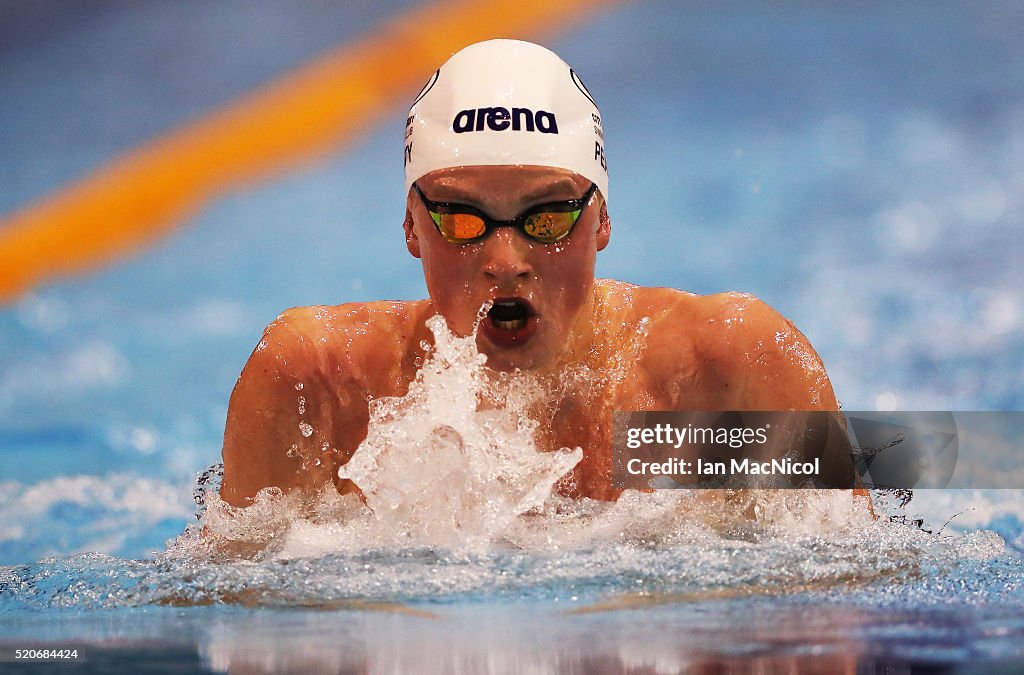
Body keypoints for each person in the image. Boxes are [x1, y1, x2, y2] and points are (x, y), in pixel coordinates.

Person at [219, 39, 855, 508]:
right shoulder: (324, 387)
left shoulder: (722, 374)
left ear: (601, 220)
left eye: (546, 218)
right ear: (412, 227)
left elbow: (862, 584)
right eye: (462, 220)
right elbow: (232, 608)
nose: (505, 263)